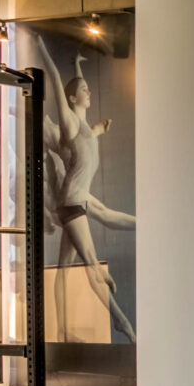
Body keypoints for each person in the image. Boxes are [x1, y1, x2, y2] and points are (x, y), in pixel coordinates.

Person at [42, 53, 135, 343]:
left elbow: (89, 130)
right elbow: (56, 80)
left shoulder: (85, 129)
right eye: (84, 90)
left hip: (78, 198)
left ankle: (62, 330)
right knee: (92, 263)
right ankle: (122, 323)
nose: (89, 92)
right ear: (72, 99)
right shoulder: (69, 124)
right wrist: (42, 48)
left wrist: (77, 65)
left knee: (65, 267)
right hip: (71, 202)